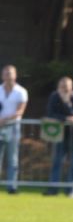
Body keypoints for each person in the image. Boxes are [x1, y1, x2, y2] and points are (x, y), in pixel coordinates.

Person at [45, 76, 73, 197]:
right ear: (58, 87)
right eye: (62, 87)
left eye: (67, 88)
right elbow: (50, 113)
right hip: (61, 134)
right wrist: (65, 118)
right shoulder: (54, 97)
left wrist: (66, 102)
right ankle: (53, 190)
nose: (64, 90)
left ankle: (71, 190)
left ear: (71, 88)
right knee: (57, 161)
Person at [0, 65, 28, 194]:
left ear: (15, 75)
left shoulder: (21, 91)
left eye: (10, 73)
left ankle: (12, 187)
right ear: (2, 75)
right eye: (5, 73)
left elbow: (20, 111)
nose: (8, 76)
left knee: (12, 158)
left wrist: (4, 120)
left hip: (12, 127)